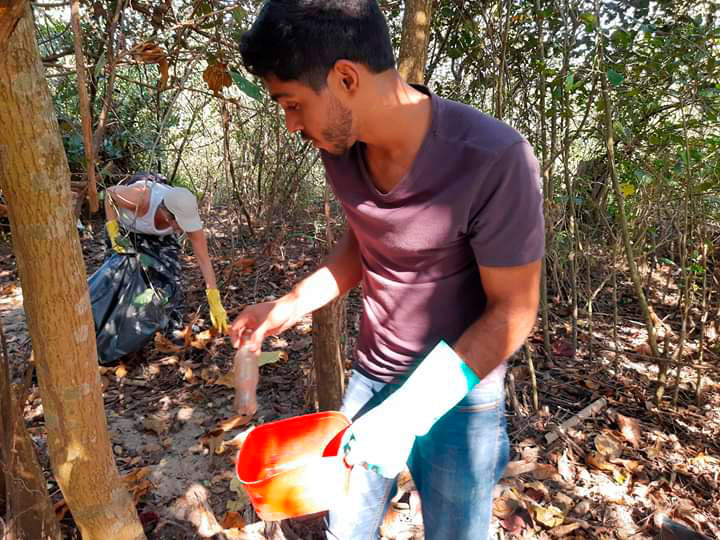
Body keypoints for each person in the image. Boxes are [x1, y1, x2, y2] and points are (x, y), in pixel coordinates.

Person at [232, 1, 544, 538]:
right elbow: (362, 247)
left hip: (463, 396)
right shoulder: (341, 147)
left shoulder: (493, 158)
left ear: (346, 77)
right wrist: (287, 307)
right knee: (346, 529)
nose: (291, 125)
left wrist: (410, 411)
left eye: (293, 104)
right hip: (372, 376)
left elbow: (515, 310)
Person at [104, 172, 229, 334]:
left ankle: (168, 327)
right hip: (125, 228)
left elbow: (204, 259)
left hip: (160, 235)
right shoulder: (140, 199)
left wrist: (214, 300)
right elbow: (109, 194)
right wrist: (114, 233)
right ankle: (114, 328)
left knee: (169, 280)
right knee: (120, 277)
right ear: (166, 213)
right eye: (180, 223)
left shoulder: (186, 213)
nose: (184, 228)